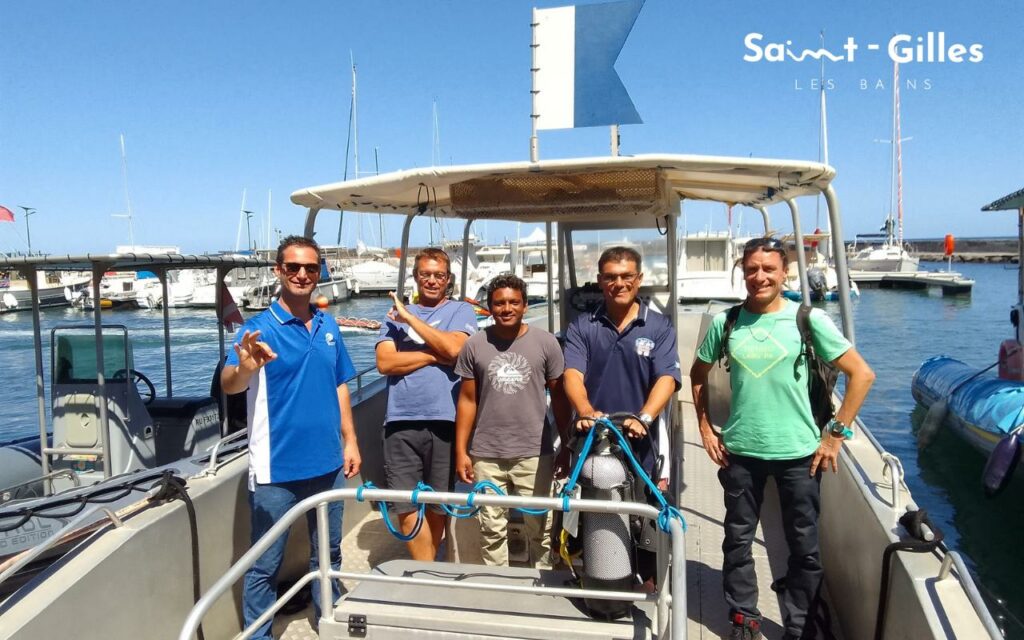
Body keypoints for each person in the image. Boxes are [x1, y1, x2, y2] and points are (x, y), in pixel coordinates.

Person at [689, 236, 875, 640]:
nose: (760, 276)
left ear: (784, 272)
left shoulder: (807, 320)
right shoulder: (728, 322)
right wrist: (705, 427)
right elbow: (698, 374)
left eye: (769, 269)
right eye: (752, 268)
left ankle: (800, 624)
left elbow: (862, 375)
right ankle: (744, 618)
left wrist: (834, 436)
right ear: (743, 271)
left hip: (800, 455)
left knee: (804, 548)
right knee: (737, 541)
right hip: (740, 452)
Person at [222, 235, 361, 640]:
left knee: (328, 554)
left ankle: (327, 622)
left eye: (311, 268)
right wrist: (246, 368)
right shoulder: (257, 329)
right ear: (278, 271)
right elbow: (231, 384)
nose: (302, 274)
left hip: (330, 464)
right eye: (293, 267)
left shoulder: (328, 324)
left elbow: (340, 386)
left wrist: (350, 440)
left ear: (320, 273)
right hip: (276, 470)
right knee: (265, 564)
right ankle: (259, 635)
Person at [562, 246, 681, 586]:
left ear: (639, 279)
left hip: (642, 443)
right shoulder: (582, 326)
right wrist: (584, 410)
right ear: (600, 281)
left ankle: (649, 590)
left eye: (626, 276)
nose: (619, 283)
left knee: (646, 518)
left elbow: (667, 379)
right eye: (611, 277)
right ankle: (593, 581)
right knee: (591, 515)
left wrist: (644, 416)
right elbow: (572, 374)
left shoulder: (658, 326)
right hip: (594, 441)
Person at [454, 273, 570, 567]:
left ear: (525, 305)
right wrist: (461, 451)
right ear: (489, 308)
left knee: (540, 530)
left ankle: (542, 587)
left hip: (534, 452)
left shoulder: (546, 343)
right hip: (486, 455)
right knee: (491, 530)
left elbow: (559, 398)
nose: (506, 309)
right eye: (499, 303)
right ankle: (499, 587)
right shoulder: (474, 345)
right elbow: (467, 400)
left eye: (513, 302)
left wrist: (567, 446)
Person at [375, 248, 477, 561]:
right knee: (405, 504)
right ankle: (427, 569)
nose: (432, 281)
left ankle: (428, 569)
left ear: (449, 280)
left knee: (437, 505)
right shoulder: (391, 316)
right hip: (400, 422)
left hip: (445, 420)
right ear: (416, 277)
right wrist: (434, 356)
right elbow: (385, 362)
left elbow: (455, 348)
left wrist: (409, 319)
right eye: (425, 275)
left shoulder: (461, 311)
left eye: (439, 275)